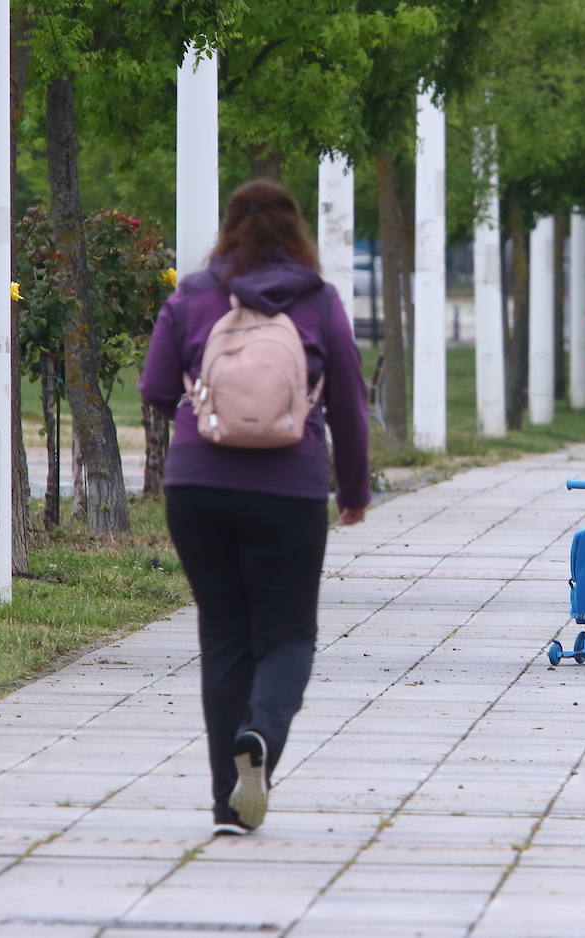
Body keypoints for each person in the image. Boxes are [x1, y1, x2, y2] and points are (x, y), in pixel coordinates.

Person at [139, 179, 371, 836]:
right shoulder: (319, 302)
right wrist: (352, 489)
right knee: (287, 634)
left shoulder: (192, 295)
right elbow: (350, 406)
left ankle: (225, 807)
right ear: (295, 232)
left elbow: (156, 390)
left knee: (223, 634)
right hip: (289, 488)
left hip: (198, 487)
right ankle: (260, 737)